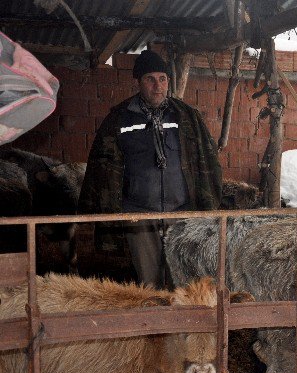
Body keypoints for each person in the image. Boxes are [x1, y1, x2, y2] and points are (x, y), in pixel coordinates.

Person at [79, 49, 222, 288]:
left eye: (163, 79)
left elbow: (208, 161)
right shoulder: (119, 120)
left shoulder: (187, 118)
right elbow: (101, 168)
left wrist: (209, 205)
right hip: (140, 216)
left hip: (182, 213)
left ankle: (181, 325)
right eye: (150, 79)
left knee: (184, 280)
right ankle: (156, 324)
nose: (158, 86)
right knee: (150, 283)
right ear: (138, 82)